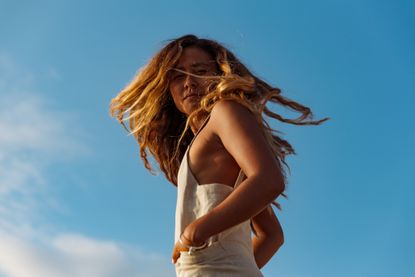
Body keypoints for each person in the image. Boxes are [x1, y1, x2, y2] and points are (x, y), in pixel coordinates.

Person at [110, 34, 328, 276]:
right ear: (168, 88)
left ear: (219, 76)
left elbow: (269, 180)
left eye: (200, 71)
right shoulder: (207, 138)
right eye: (178, 75)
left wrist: (194, 234)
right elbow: (271, 235)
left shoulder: (224, 112)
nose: (189, 82)